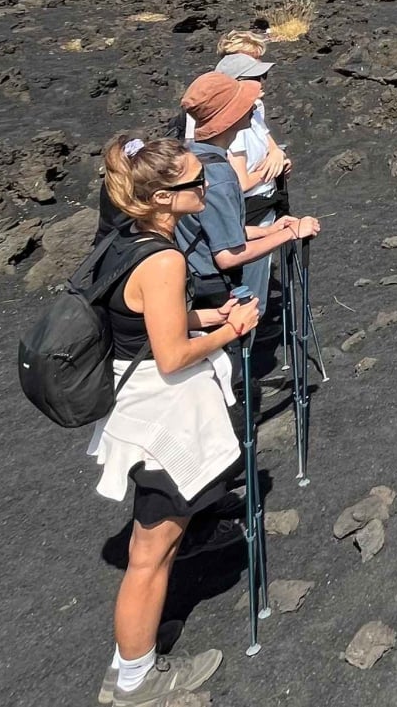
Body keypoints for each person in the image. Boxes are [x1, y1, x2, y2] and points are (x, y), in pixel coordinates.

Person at [88, 134, 262, 707]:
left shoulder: (127, 239)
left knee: (153, 549)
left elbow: (142, 315)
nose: (207, 186)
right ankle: (136, 680)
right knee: (151, 555)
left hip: (135, 412)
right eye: (195, 181)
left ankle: (130, 660)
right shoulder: (164, 259)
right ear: (163, 196)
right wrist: (230, 330)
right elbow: (170, 355)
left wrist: (204, 315)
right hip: (162, 421)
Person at [176, 72, 318, 341]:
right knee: (229, 356)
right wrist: (290, 234)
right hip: (214, 287)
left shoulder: (192, 156)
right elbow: (227, 255)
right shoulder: (218, 176)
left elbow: (216, 230)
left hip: (195, 279)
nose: (252, 105)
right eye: (243, 103)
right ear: (229, 117)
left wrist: (270, 231)